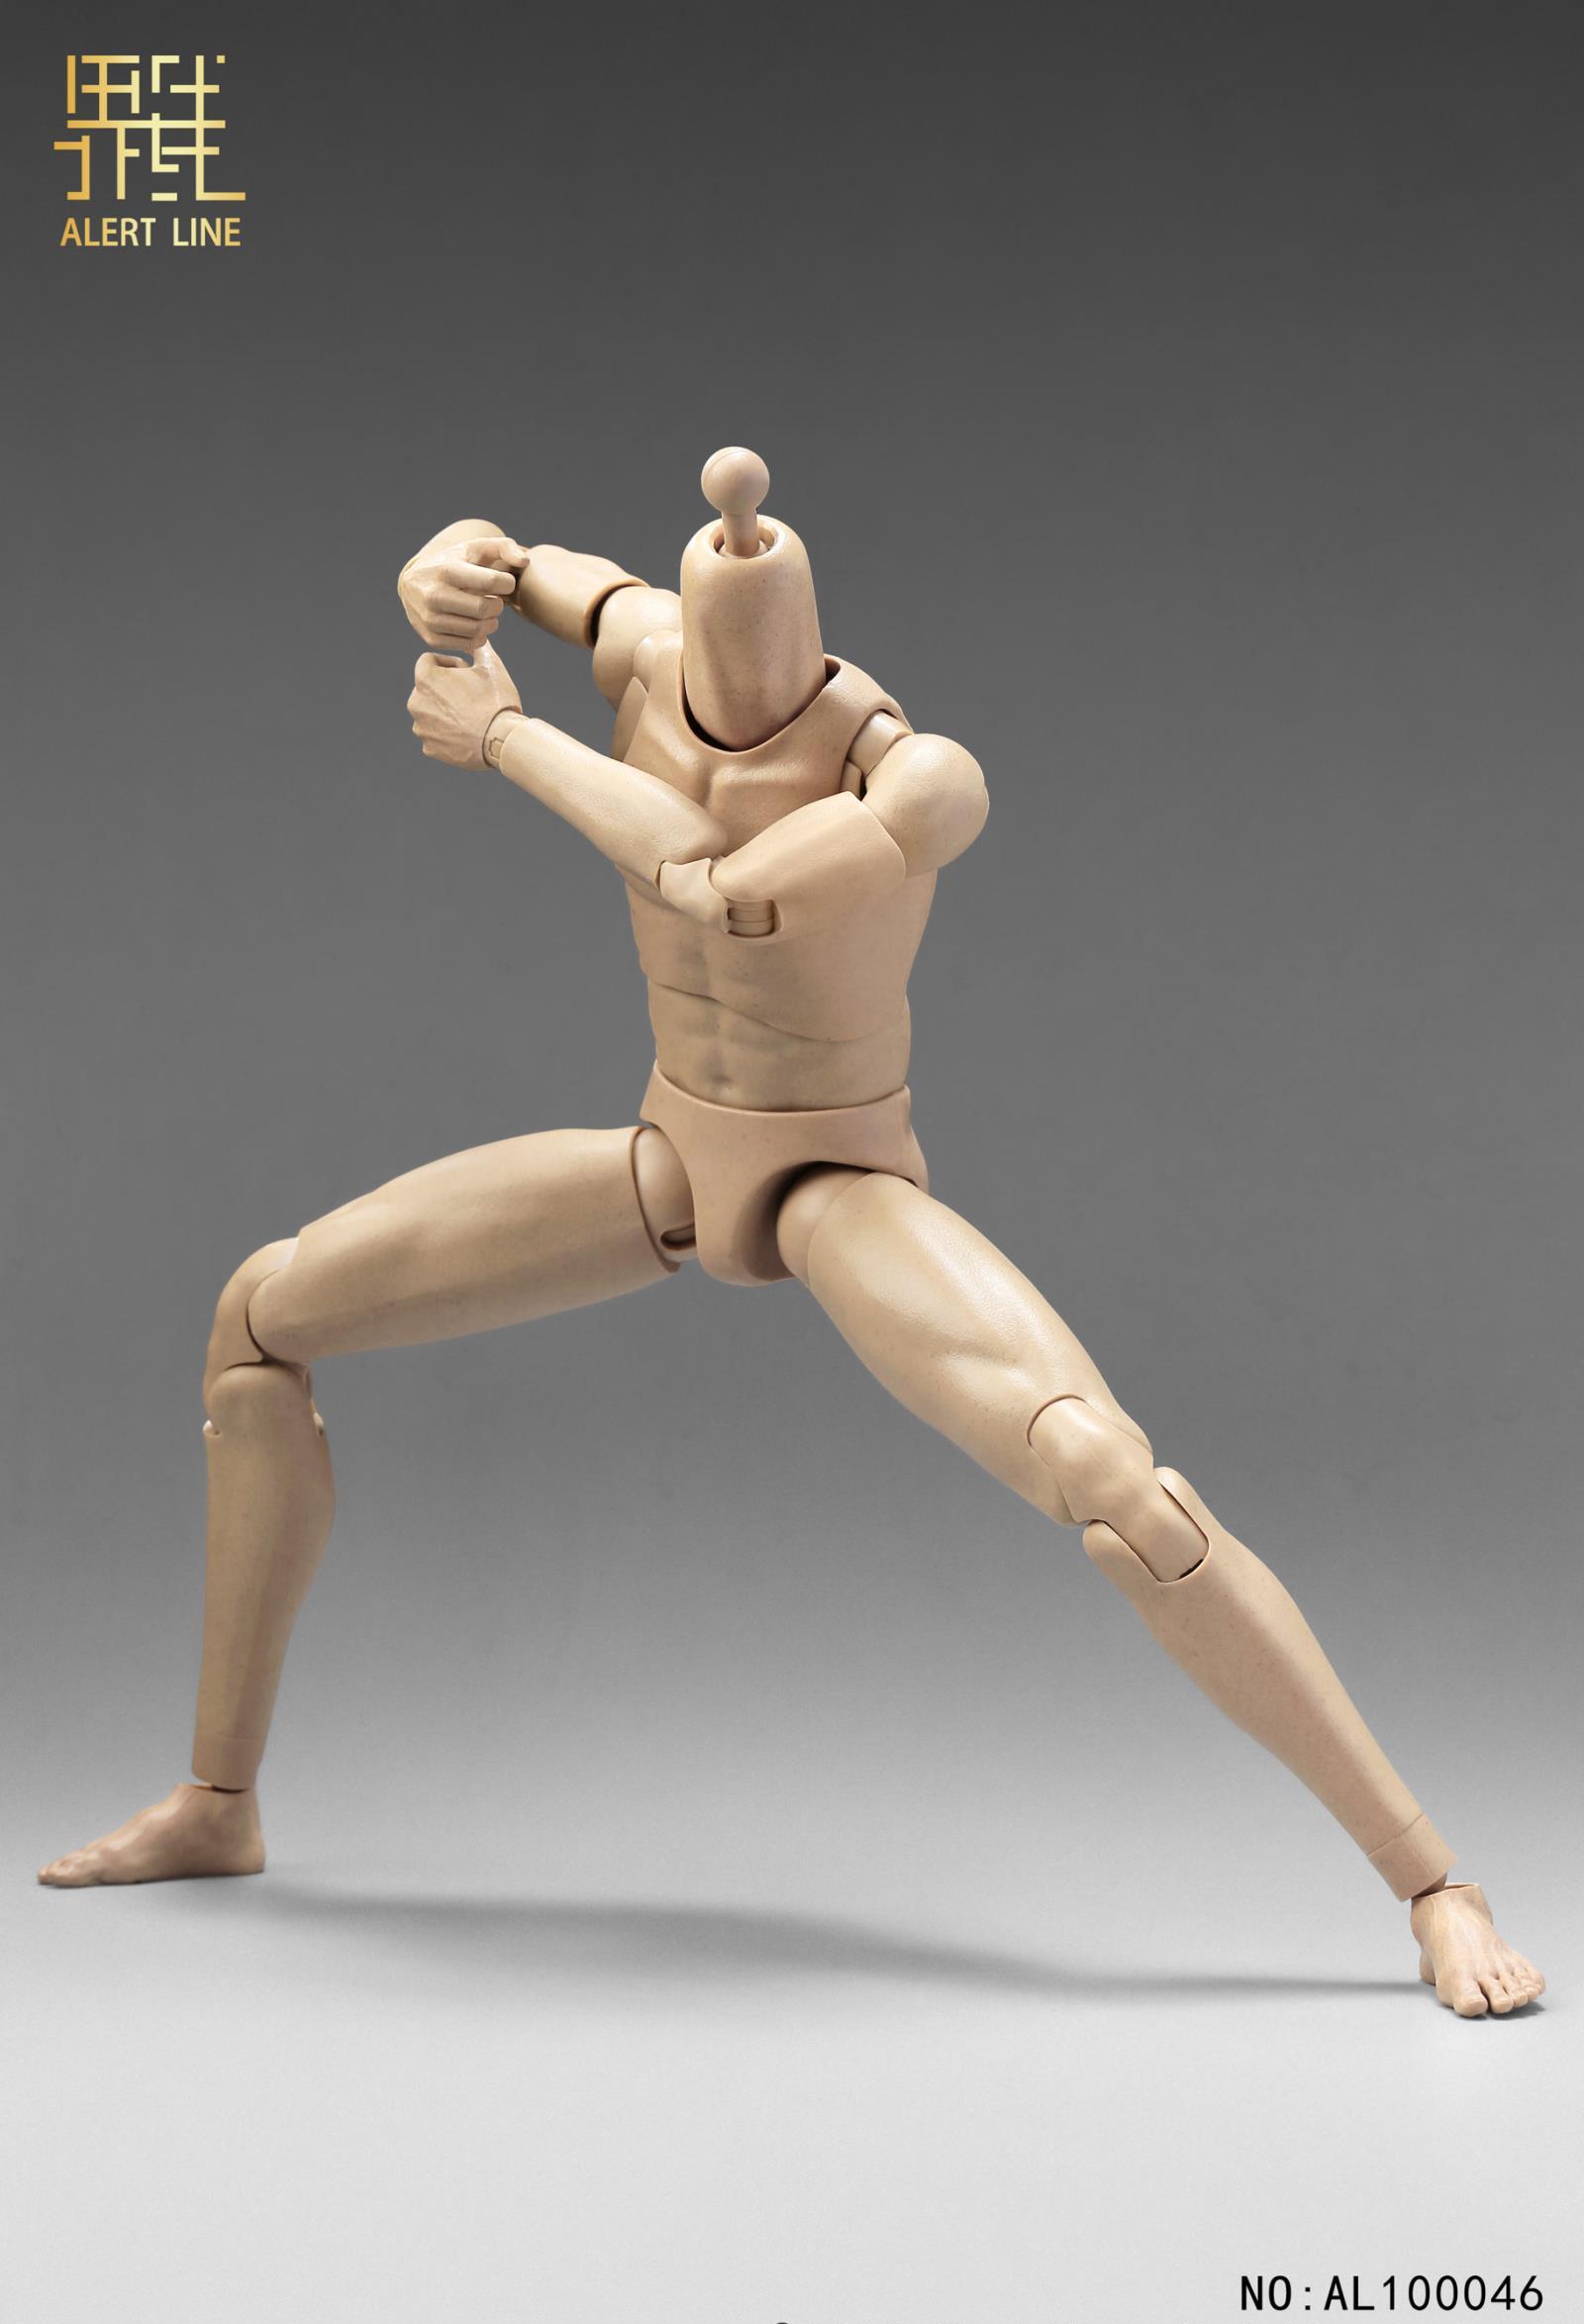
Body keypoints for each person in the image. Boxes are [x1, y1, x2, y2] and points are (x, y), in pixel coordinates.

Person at [39, 451, 1543, 2020]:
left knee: (1114, 1483)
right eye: (705, 638)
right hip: (671, 1156)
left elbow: (721, 887)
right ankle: (219, 1801)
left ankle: (1435, 1883)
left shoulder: (918, 778)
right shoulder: (645, 648)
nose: (726, 677)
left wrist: (505, 739)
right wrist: (450, 566)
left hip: (836, 1182)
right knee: (260, 1315)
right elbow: (528, 563)